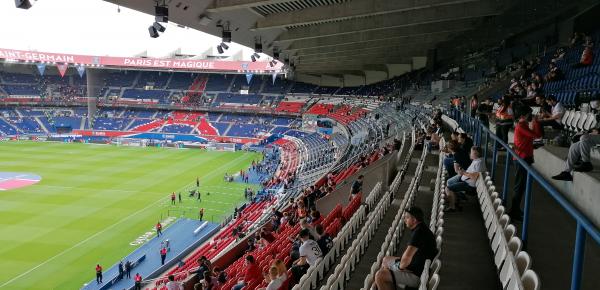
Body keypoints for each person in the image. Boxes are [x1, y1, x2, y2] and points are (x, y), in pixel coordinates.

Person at [375, 207, 438, 290]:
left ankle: (387, 281)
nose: (405, 219)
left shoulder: (418, 233)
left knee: (380, 275)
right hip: (417, 266)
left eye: (407, 217)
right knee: (386, 260)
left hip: (416, 275)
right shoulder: (421, 228)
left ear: (414, 220)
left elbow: (406, 259)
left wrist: (398, 268)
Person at [507, 107, 541, 222]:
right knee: (519, 186)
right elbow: (536, 135)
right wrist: (536, 122)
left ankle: (516, 209)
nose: (531, 116)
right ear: (524, 115)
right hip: (521, 159)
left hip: (525, 157)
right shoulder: (521, 126)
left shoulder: (524, 125)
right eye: (530, 114)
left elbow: (533, 137)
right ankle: (513, 211)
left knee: (521, 186)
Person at [444, 146, 486, 212]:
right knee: (450, 183)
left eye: (471, 152)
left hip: (469, 185)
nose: (470, 154)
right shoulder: (477, 160)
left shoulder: (479, 163)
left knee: (448, 188)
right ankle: (456, 202)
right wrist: (464, 172)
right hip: (466, 181)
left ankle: (452, 207)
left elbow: (474, 176)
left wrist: (463, 172)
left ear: (475, 153)